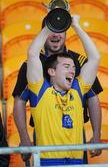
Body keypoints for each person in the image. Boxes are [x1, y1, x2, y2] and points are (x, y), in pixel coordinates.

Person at [13, 14, 102, 162]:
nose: (72, 71)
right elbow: (19, 101)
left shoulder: (78, 76)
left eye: (72, 67)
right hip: (46, 142)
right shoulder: (38, 81)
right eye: (66, 67)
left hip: (76, 143)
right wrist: (51, 23)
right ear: (51, 71)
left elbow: (95, 60)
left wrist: (76, 26)